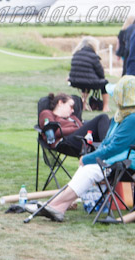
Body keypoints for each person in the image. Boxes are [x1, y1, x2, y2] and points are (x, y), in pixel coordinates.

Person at [34, 76, 135, 222]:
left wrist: (89, 157)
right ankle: (59, 207)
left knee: (90, 168)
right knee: (88, 167)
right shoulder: (120, 117)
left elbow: (115, 147)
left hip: (127, 161)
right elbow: (108, 142)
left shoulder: (132, 119)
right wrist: (93, 156)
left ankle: (53, 205)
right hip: (117, 156)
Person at [39, 92, 111, 152]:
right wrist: (77, 129)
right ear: (60, 103)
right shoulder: (48, 113)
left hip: (81, 139)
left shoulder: (72, 117)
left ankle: (112, 147)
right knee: (103, 117)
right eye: (71, 106)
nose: (73, 110)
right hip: (65, 142)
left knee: (110, 121)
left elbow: (82, 128)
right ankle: (107, 148)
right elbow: (54, 131)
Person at [70, 36, 109, 111]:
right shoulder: (94, 56)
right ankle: (105, 107)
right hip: (87, 82)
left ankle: (83, 105)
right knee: (105, 83)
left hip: (74, 81)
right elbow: (101, 73)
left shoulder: (76, 54)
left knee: (85, 84)